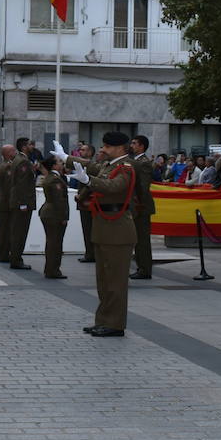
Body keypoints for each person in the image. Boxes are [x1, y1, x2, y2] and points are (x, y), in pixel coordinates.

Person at [81, 133, 137, 337]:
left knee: (116, 282)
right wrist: (65, 158)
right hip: (104, 227)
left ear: (120, 148)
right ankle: (103, 320)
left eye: (107, 147)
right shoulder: (108, 165)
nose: (102, 149)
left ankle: (115, 324)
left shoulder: (127, 167)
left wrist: (88, 180)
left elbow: (114, 187)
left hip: (118, 229)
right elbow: (89, 165)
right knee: (103, 280)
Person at [3, 140, 37, 270]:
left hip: (18, 202)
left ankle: (15, 258)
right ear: (24, 147)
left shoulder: (20, 159)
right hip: (21, 203)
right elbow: (22, 185)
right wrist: (23, 204)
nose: (33, 147)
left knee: (18, 231)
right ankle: (16, 260)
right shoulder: (22, 161)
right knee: (19, 232)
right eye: (30, 144)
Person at [128, 135, 155, 280]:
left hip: (141, 207)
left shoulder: (143, 163)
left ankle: (144, 269)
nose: (131, 145)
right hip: (137, 205)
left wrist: (138, 205)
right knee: (137, 239)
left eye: (134, 143)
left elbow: (143, 187)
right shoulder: (136, 161)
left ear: (141, 146)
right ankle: (141, 267)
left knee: (142, 240)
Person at [38, 160, 69, 279]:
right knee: (55, 243)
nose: (62, 164)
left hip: (49, 212)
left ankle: (50, 268)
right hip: (54, 214)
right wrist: (64, 217)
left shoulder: (51, 177)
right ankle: (53, 270)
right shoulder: (55, 179)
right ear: (54, 165)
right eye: (59, 162)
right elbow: (59, 200)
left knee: (52, 242)